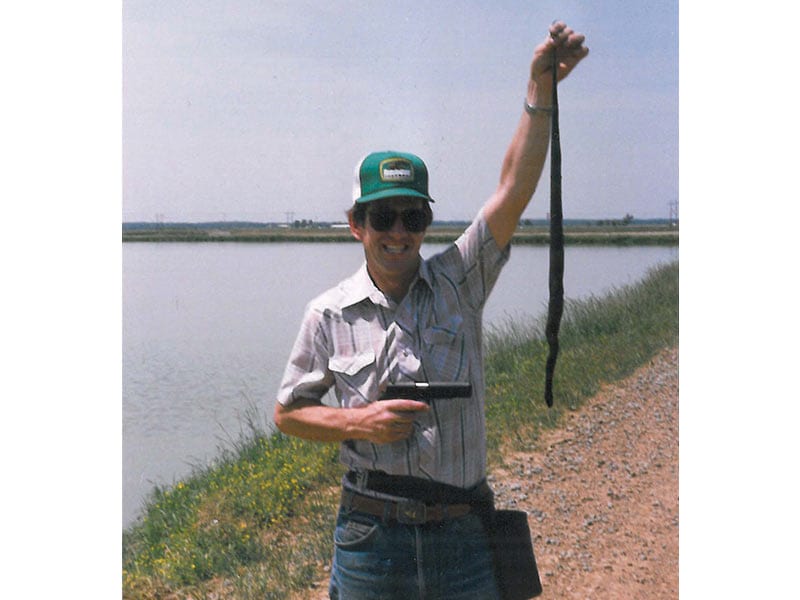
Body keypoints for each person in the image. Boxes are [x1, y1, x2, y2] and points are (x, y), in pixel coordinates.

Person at [274, 21, 588, 600]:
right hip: (370, 539)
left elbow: (512, 189)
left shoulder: (460, 281)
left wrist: (540, 88)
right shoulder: (327, 314)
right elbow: (288, 413)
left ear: (427, 223)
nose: (398, 232)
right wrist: (356, 422)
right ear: (356, 225)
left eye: (412, 218)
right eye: (383, 217)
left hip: (463, 536)